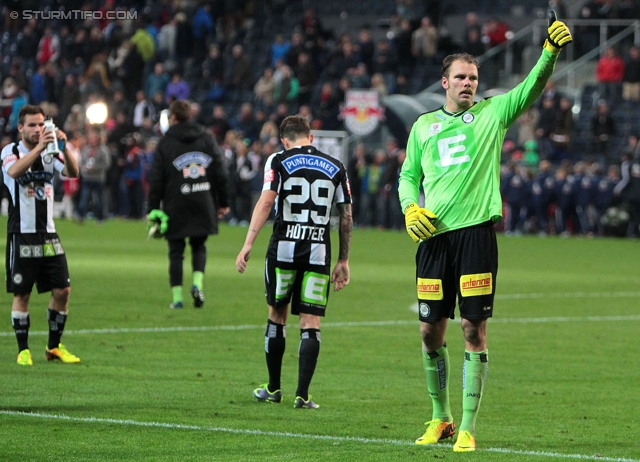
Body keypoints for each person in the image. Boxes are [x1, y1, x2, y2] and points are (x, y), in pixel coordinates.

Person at [397, 13, 572, 453]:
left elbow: (530, 88)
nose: (468, 83)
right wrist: (409, 207)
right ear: (444, 82)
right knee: (428, 331)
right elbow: (406, 177)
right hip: (432, 237)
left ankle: (470, 427)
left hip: (476, 236)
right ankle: (442, 418)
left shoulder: (493, 114)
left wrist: (548, 54)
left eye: (473, 77)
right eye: (460, 77)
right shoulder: (422, 127)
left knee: (473, 329)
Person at [235, 115, 352, 409]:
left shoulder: (278, 160)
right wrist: (344, 259)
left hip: (284, 250)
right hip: (318, 253)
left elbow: (265, 202)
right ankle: (302, 394)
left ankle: (274, 388)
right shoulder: (337, 166)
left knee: (277, 316)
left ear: (284, 140)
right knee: (310, 322)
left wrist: (248, 243)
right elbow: (346, 217)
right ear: (310, 137)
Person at [1, 104, 81, 366]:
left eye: (40, 124)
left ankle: (53, 347)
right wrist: (38, 148)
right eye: (32, 125)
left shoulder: (50, 151)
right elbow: (13, 172)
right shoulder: (10, 152)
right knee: (22, 294)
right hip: (21, 234)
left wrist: (63, 146)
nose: (37, 129)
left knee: (63, 290)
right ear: (20, 128)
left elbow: (72, 172)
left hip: (48, 235)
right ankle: (23, 350)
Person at [147, 100, 230, 309]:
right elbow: (220, 172)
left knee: (176, 251)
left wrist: (153, 209)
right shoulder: (206, 139)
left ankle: (177, 299)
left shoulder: (165, 143)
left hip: (175, 203)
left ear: (173, 117)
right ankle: (197, 285)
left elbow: (156, 179)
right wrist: (223, 202)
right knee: (199, 246)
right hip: (203, 201)